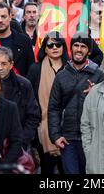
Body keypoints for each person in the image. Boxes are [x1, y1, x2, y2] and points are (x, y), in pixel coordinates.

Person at [48, 32, 104, 174]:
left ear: (89, 51)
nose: (79, 49)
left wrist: (96, 93)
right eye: (76, 45)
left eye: (83, 46)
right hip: (67, 139)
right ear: (71, 48)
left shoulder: (99, 75)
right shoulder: (61, 75)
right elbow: (53, 107)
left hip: (92, 138)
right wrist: (55, 136)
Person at [27, 32, 68, 174]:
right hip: (42, 128)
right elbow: (29, 98)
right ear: (44, 48)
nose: (54, 47)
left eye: (58, 44)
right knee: (46, 169)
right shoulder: (35, 69)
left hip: (69, 129)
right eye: (50, 45)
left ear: (64, 47)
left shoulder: (71, 68)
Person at [0, 47, 40, 149]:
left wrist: (22, 141)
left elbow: (33, 116)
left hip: (19, 145)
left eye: (4, 64)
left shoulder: (24, 85)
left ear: (11, 65)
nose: (0, 68)